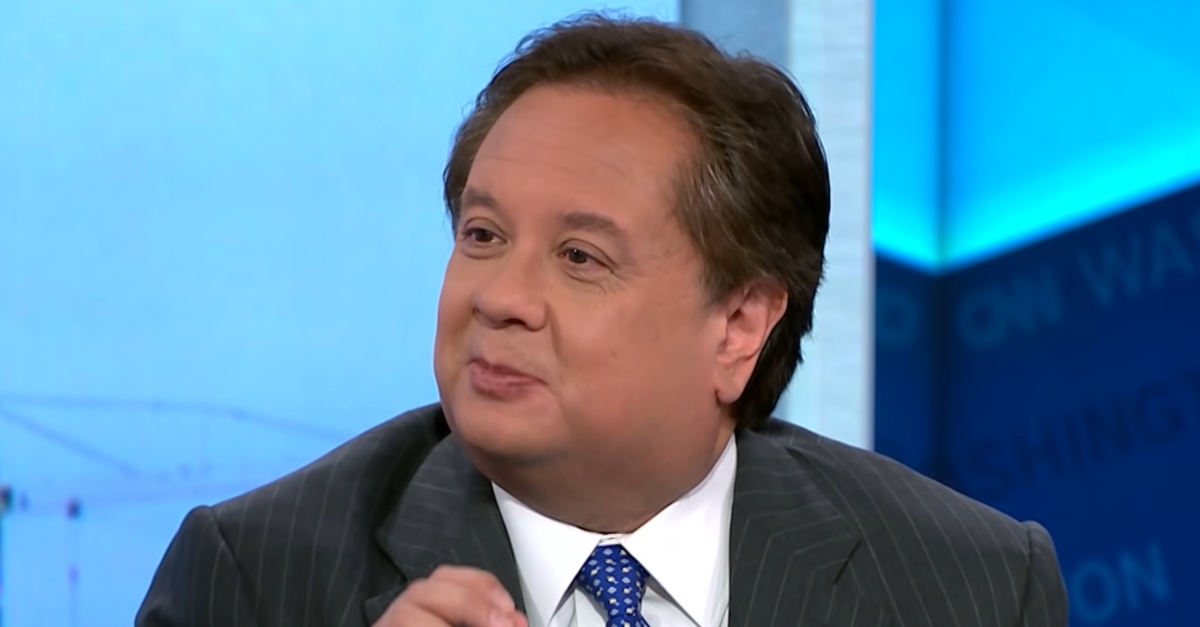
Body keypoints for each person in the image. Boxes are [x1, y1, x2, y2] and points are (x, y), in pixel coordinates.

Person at [137, 13, 1067, 627]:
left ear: (739, 324)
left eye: (580, 257)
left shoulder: (971, 585)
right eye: (483, 234)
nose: (500, 296)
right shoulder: (255, 578)